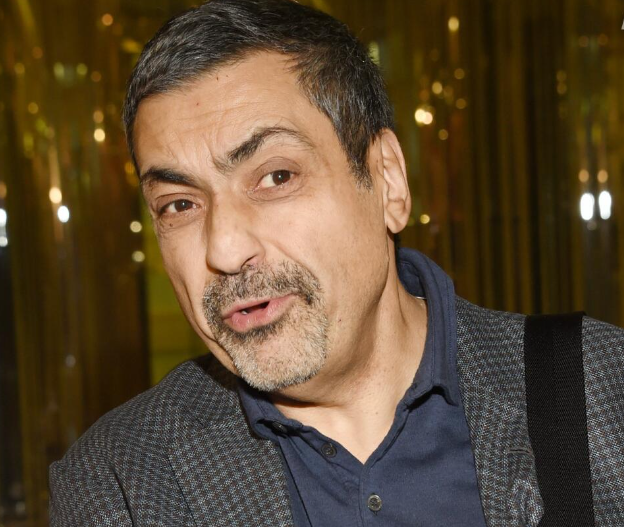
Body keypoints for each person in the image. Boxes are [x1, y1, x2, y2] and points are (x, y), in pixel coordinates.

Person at [49, 0, 624, 525]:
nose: (223, 249)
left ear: (387, 180)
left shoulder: (601, 393)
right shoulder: (119, 483)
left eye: (276, 177)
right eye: (180, 205)